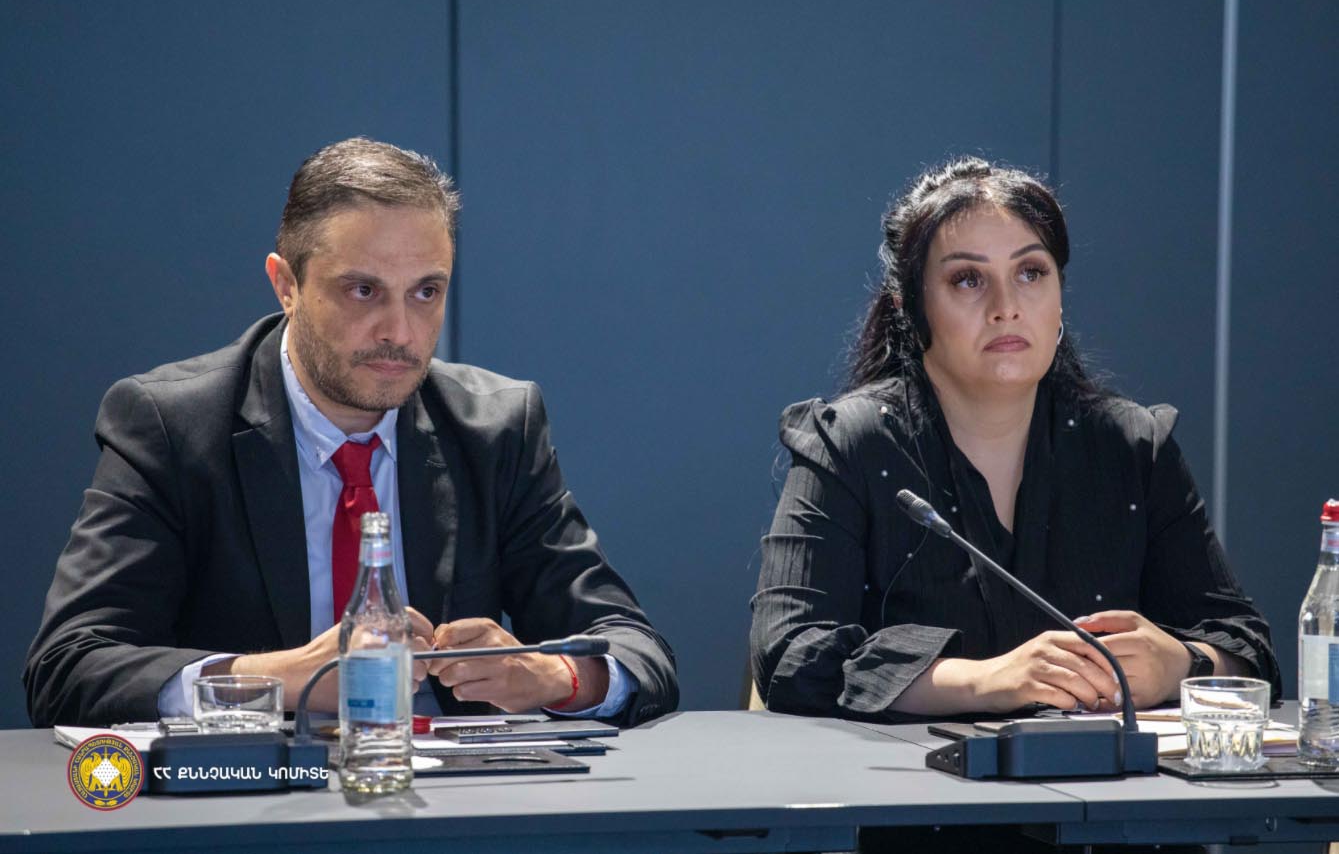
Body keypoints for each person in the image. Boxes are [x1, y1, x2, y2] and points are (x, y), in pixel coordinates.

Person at [25, 137, 677, 728]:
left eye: (426, 292)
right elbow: (69, 667)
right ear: (286, 285)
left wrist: (554, 677)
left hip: (451, 799)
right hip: (245, 796)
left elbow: (636, 650)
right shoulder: (172, 426)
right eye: (363, 290)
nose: (399, 331)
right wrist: (280, 679)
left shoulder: (495, 429)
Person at [750, 157, 1278, 722]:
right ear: (910, 306)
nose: (1006, 308)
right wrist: (984, 681)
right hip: (907, 778)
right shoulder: (849, 444)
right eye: (967, 279)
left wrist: (1181, 664)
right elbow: (789, 652)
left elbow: (1249, 650)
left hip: (1097, 778)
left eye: (1031, 273)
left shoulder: (1132, 447)